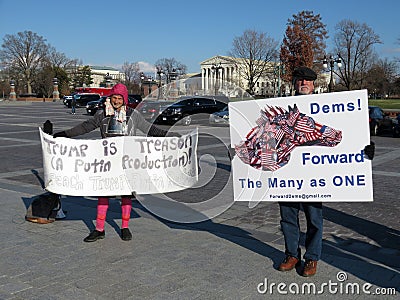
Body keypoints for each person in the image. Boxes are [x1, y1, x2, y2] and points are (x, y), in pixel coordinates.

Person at [277, 66, 374, 277]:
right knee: (287, 218)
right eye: (300, 80)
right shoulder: (283, 108)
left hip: (314, 176)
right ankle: (292, 254)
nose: (303, 83)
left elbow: (345, 134)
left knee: (314, 218)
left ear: (314, 85)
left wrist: (365, 148)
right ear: (294, 84)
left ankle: (312, 258)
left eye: (308, 81)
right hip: (287, 175)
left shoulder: (326, 107)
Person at [53, 83, 173, 242]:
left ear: (124, 99)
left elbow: (150, 129)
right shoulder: (102, 114)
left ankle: (124, 227)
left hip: (126, 163)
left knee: (126, 195)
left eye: (119, 98)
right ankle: (99, 229)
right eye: (114, 97)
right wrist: (64, 134)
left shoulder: (132, 115)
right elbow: (85, 127)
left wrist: (171, 136)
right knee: (103, 195)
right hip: (107, 163)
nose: (116, 101)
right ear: (110, 98)